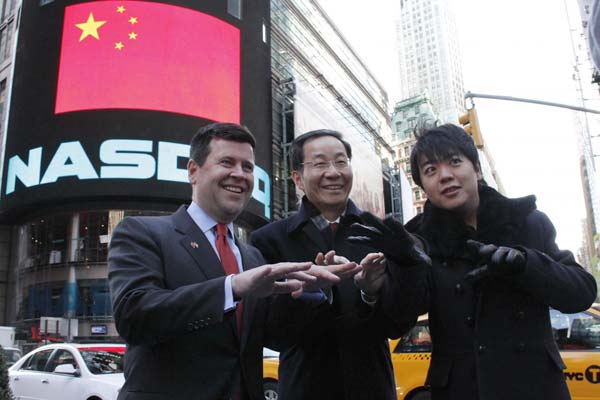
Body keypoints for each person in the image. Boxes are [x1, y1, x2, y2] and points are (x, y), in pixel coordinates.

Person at [350, 124, 598, 400]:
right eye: (430, 170)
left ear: (477, 170)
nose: (445, 176)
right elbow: (395, 324)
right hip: (462, 389)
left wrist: (525, 263)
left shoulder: (526, 222)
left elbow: (582, 293)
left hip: (535, 385)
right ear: (423, 186)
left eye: (455, 162)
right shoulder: (416, 241)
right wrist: (406, 266)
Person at [108, 122, 322, 400]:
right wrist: (230, 288)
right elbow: (133, 318)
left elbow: (273, 338)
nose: (239, 174)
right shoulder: (141, 232)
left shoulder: (252, 256)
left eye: (247, 167)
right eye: (227, 162)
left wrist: (312, 290)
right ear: (193, 171)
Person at [251, 129, 413, 400]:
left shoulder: (381, 233)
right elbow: (271, 335)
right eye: (320, 163)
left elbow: (397, 325)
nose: (333, 172)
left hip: (372, 389)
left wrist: (369, 293)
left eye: (340, 162)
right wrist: (313, 291)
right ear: (297, 178)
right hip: (305, 389)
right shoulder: (270, 240)